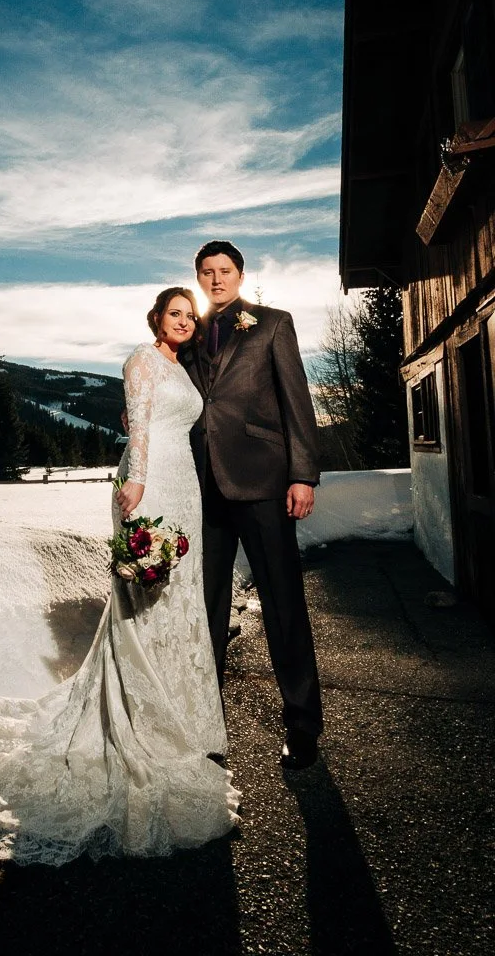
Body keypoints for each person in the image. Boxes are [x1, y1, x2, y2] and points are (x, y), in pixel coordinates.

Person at [0, 288, 240, 865]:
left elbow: (168, 420)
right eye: (173, 313)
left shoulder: (183, 366)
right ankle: (141, 725)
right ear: (156, 317)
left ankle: (183, 719)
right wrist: (135, 486)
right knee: (144, 606)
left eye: (189, 315)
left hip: (186, 488)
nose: (182, 321)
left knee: (179, 607)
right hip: (151, 484)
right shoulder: (141, 359)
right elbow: (140, 433)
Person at [178, 241, 323, 771]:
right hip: (204, 488)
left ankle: (303, 726)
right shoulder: (190, 335)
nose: (216, 280)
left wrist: (303, 474)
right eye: (207, 272)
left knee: (284, 605)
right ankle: (205, 730)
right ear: (198, 278)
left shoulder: (272, 325)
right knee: (206, 612)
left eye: (225, 271)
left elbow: (296, 401)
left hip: (264, 483)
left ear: (240, 275)